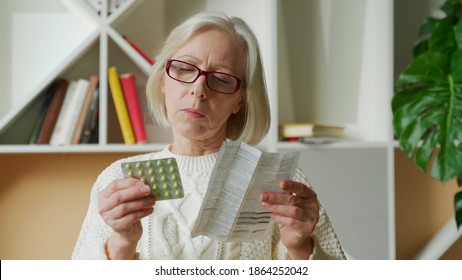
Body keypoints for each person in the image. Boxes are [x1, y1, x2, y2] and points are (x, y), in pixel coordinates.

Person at [72, 11, 345, 260]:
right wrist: (121, 242)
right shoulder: (117, 180)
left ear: (241, 101)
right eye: (185, 69)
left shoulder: (281, 183)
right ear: (164, 79)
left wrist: (300, 247)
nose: (199, 89)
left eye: (222, 79)